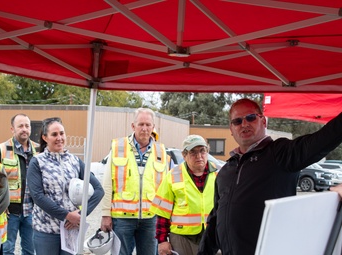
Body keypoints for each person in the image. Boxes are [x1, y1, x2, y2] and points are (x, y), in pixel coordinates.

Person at [198, 98, 342, 255]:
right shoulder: (226, 170)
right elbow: (215, 219)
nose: (244, 124)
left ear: (263, 121)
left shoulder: (280, 153)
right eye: (238, 121)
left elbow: (322, 140)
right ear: (231, 129)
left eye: (251, 117)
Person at [26, 117, 104, 255]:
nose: (59, 138)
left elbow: (99, 190)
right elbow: (37, 196)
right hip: (46, 232)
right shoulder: (37, 162)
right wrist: (66, 215)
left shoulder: (74, 161)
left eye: (62, 133)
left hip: (70, 230)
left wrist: (80, 215)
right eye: (54, 134)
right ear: (45, 137)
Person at [100, 108, 170, 255]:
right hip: (122, 218)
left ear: (153, 127)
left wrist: (165, 220)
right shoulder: (118, 147)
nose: (144, 128)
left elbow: (166, 189)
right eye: (141, 124)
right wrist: (106, 214)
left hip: (151, 219)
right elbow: (107, 183)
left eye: (148, 124)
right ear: (133, 126)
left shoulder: (161, 152)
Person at [150, 135, 218, 255]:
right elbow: (162, 213)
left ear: (207, 151)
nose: (199, 156)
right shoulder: (173, 176)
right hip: (181, 238)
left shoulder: (219, 174)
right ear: (184, 155)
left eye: (202, 151)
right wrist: (162, 241)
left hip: (212, 235)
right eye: (193, 152)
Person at [0, 113, 39, 255]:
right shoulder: (1, 150)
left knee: (30, 251)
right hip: (9, 212)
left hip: (32, 211)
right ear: (12, 129)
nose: (24, 129)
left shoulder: (38, 150)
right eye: (20, 126)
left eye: (27, 126)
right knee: (7, 250)